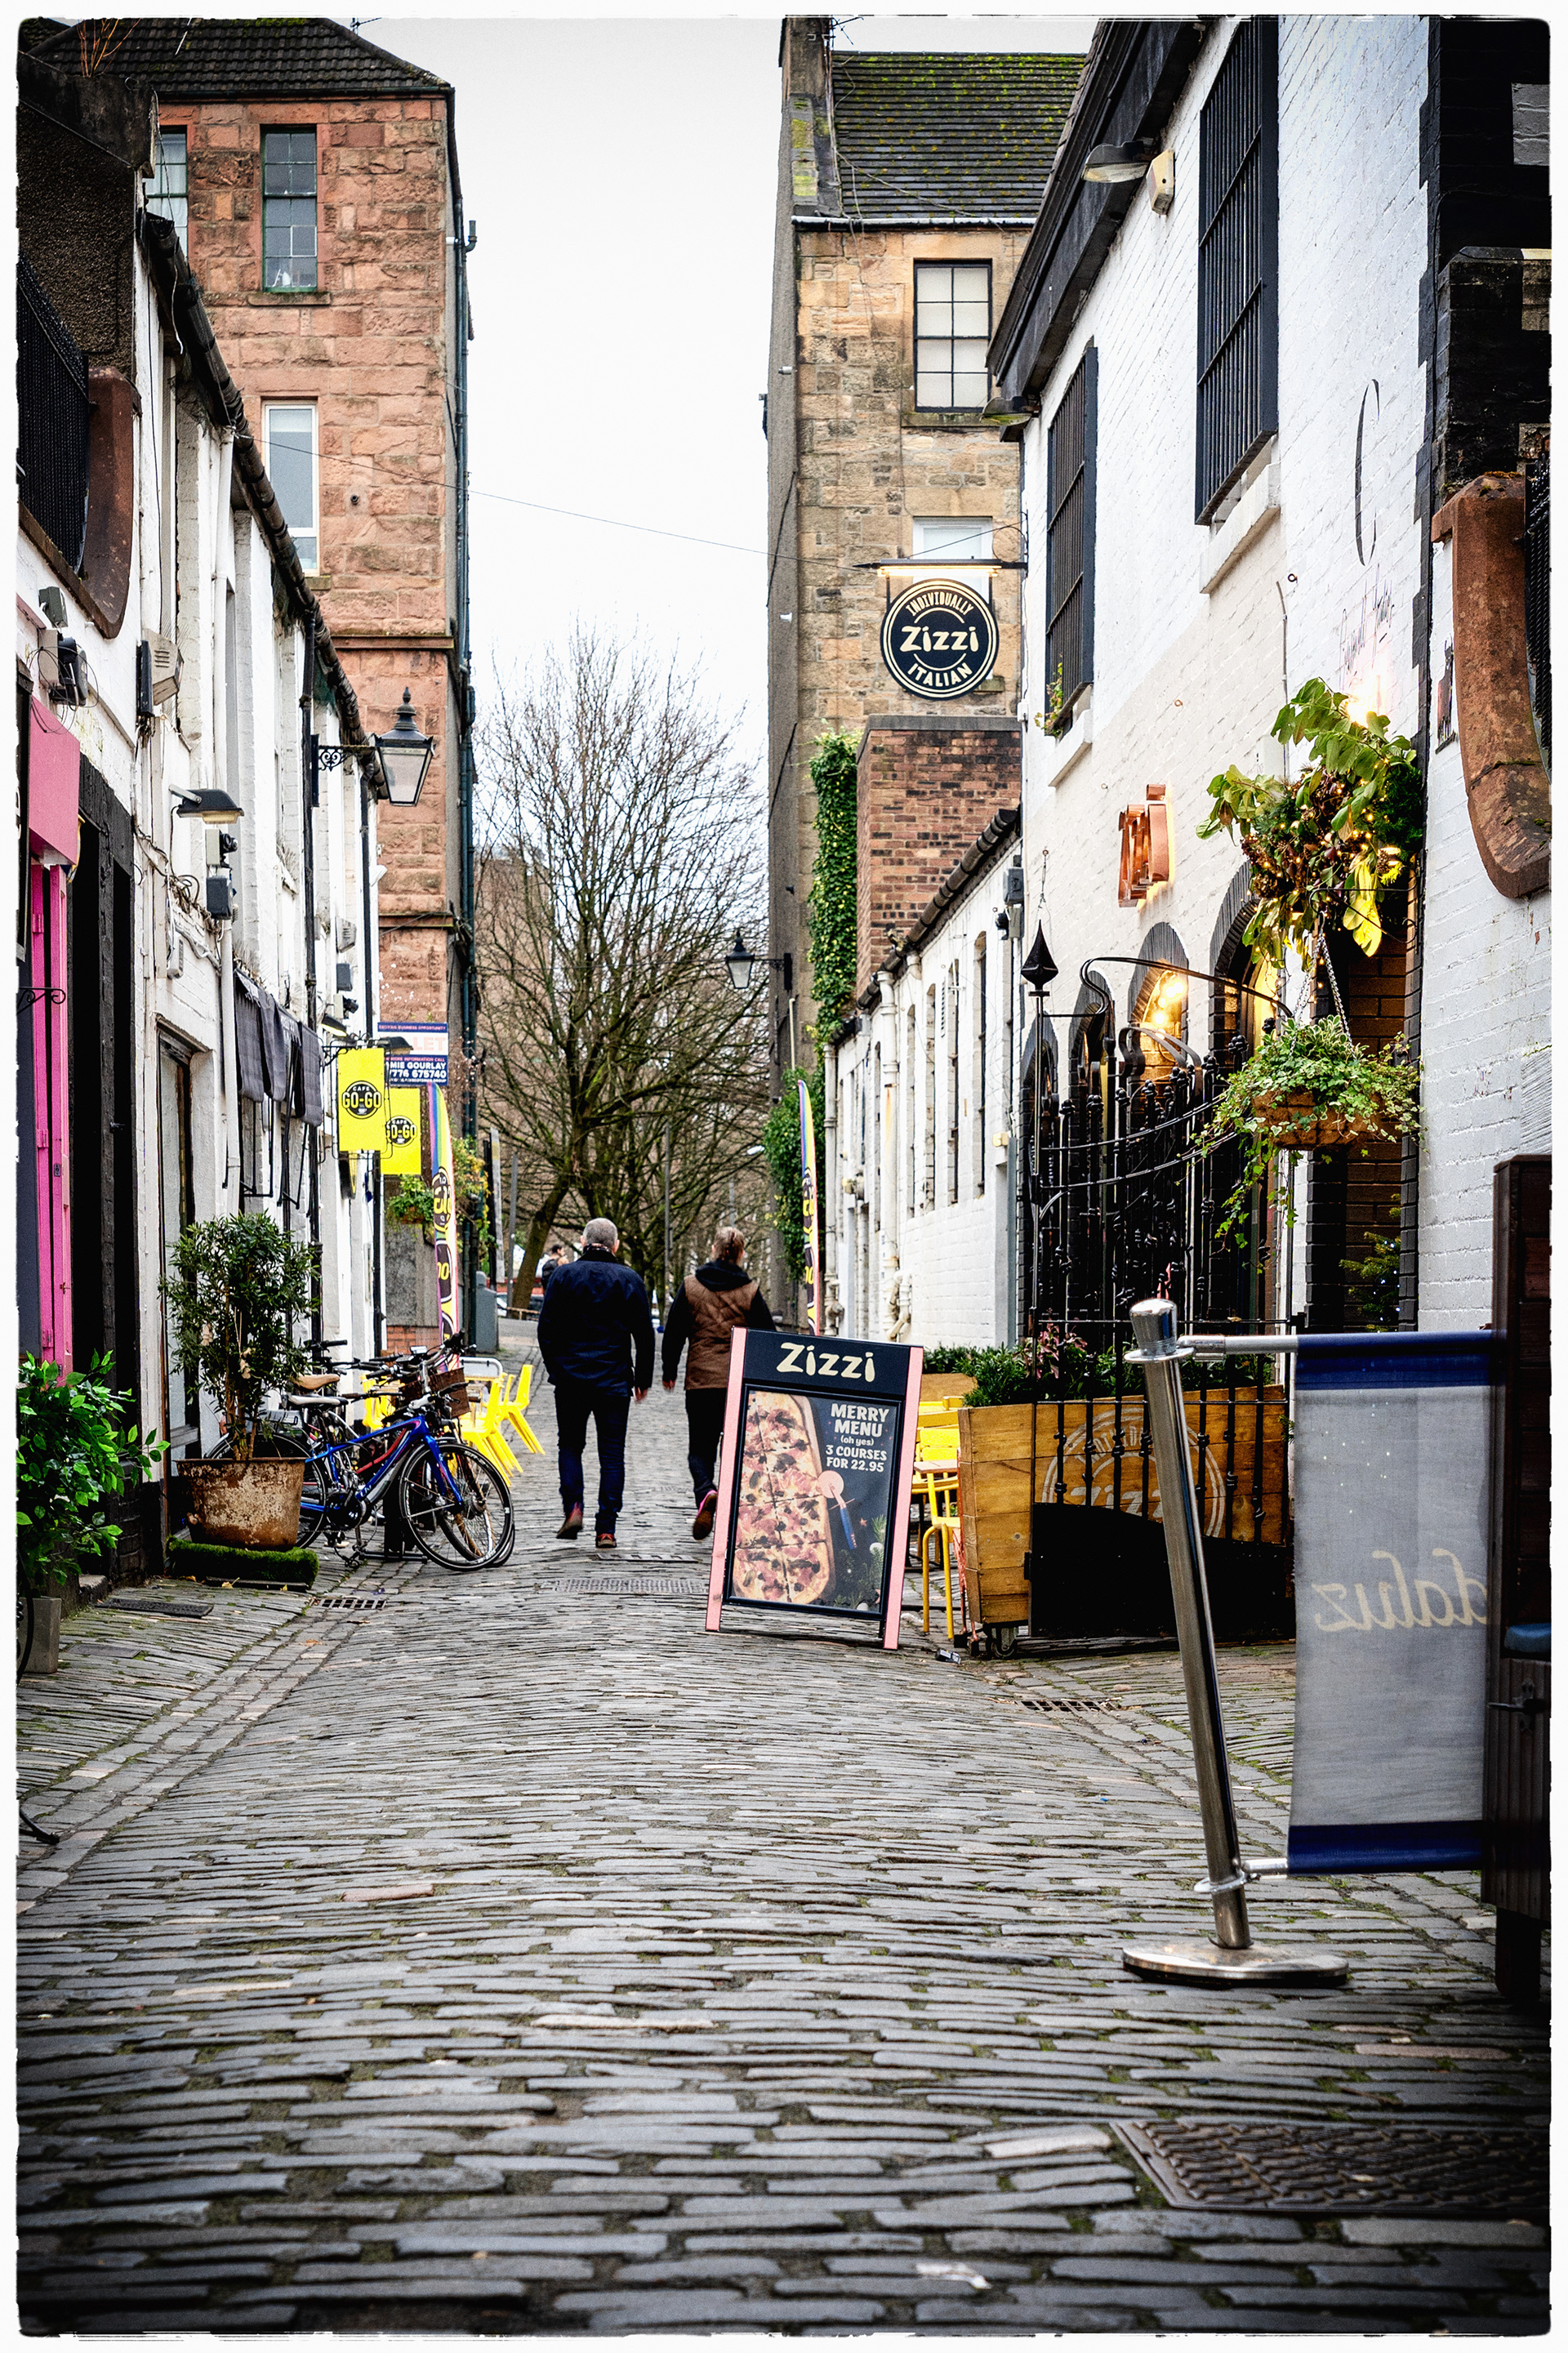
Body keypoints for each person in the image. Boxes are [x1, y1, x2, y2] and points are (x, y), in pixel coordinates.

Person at [537, 1217, 654, 1550]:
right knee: (612, 1455)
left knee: (570, 1446)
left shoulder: (563, 1276)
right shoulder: (630, 1280)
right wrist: (642, 1378)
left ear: (584, 1242)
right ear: (615, 1245)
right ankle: (606, 1529)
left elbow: (547, 1330)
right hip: (614, 1382)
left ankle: (574, 1506)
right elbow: (644, 1337)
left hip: (571, 1380)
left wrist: (556, 1367)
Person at [662, 1225, 775, 1540]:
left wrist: (668, 1369)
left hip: (701, 1382)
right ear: (740, 1253)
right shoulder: (750, 1290)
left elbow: (674, 1332)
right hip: (739, 1383)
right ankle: (731, 1510)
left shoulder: (691, 1286)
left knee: (700, 1449)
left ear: (713, 1248)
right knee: (737, 1449)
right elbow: (767, 1338)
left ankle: (706, 1492)